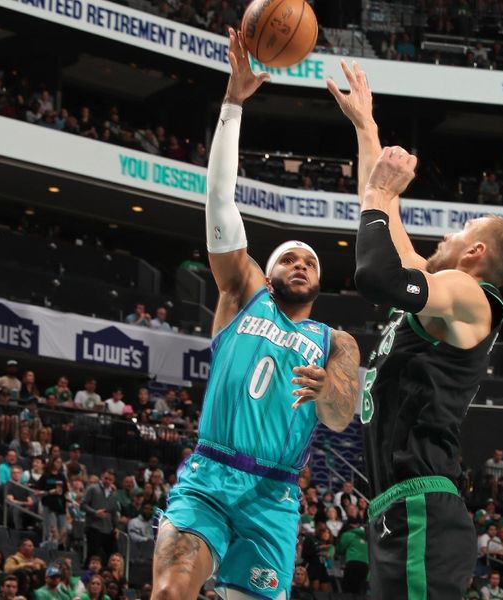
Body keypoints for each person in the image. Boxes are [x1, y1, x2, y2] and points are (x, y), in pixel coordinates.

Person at [152, 30, 360, 600]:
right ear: (267, 274)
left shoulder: (334, 341)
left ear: (320, 279)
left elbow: (342, 416)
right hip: (211, 479)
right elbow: (220, 203)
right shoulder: (243, 294)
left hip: (274, 497)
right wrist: (233, 102)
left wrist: (328, 391)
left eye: (310, 260)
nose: (300, 263)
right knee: (171, 592)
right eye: (288, 258)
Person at [328, 59, 503, 599]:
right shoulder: (440, 293)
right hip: (400, 507)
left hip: (420, 507)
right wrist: (366, 130)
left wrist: (376, 199)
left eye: (464, 228)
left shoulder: (467, 294)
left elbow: (375, 274)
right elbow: (384, 212)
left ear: (477, 251)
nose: (451, 231)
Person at [82, 469, 119, 564]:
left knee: (113, 554)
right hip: (93, 527)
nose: (107, 481)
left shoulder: (114, 494)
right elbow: (83, 505)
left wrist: (116, 527)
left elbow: (114, 512)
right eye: (106, 478)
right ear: (101, 477)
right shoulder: (93, 488)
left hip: (108, 528)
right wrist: (95, 512)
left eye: (110, 479)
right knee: (94, 555)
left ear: (113, 481)